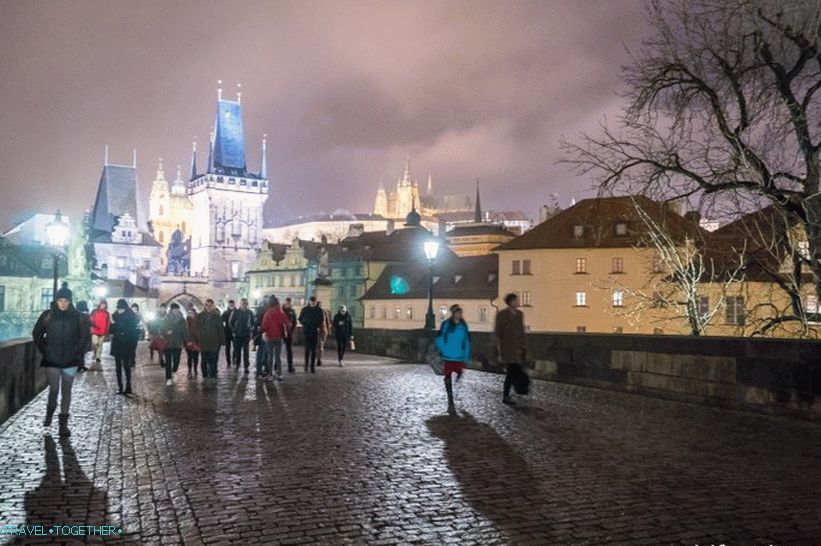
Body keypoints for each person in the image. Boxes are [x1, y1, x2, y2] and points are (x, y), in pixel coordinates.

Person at [32, 285, 90, 437]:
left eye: (66, 301)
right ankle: (49, 413)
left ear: (70, 301)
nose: (63, 303)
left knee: (66, 391)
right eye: (60, 300)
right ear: (56, 301)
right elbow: (37, 334)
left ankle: (63, 425)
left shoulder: (78, 317)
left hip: (70, 360)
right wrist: (46, 350)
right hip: (52, 359)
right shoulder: (48, 316)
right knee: (54, 389)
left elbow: (84, 337)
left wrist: (77, 351)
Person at [435, 304, 472, 415]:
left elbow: (466, 341)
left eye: (460, 312)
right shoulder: (446, 324)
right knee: (448, 377)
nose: (459, 314)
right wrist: (442, 349)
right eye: (457, 312)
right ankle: (450, 402)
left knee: (460, 372)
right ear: (453, 313)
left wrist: (466, 355)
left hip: (459, 355)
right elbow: (440, 338)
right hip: (448, 355)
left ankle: (455, 391)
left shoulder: (463, 325)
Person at [495, 293, 528, 405]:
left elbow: (521, 331)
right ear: (510, 302)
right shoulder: (502, 315)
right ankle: (507, 395)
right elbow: (498, 333)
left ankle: (511, 392)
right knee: (511, 372)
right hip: (507, 349)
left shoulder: (519, 314)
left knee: (514, 372)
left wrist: (524, 346)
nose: (518, 302)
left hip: (518, 349)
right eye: (516, 300)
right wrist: (499, 351)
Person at [110, 299, 140, 395]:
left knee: (126, 366)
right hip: (118, 343)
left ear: (125, 309)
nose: (119, 310)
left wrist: (115, 324)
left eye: (121, 309)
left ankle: (128, 386)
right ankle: (121, 387)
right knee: (118, 366)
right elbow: (111, 331)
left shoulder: (129, 317)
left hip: (126, 343)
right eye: (118, 309)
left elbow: (126, 329)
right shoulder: (116, 316)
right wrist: (112, 324)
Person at [261, 296, 290, 380]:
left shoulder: (268, 313)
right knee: (278, 356)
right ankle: (280, 374)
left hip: (269, 337)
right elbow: (287, 324)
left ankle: (270, 374)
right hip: (279, 337)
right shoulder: (281, 312)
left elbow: (264, 326)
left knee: (270, 356)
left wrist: (264, 331)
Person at [197, 299, 225, 380]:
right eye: (207, 305)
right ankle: (205, 375)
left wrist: (222, 342)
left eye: (210, 305)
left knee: (214, 360)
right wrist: (198, 339)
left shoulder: (217, 316)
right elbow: (197, 328)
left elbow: (220, 329)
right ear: (204, 306)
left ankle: (213, 375)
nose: (209, 307)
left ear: (213, 306)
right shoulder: (200, 316)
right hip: (204, 341)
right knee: (204, 360)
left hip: (214, 342)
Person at [162, 303, 188, 386]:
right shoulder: (166, 319)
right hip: (168, 343)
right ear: (171, 310)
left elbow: (185, 331)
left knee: (176, 360)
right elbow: (161, 329)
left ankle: (174, 371)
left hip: (177, 343)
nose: (176, 311)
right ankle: (168, 378)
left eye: (177, 310)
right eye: (175, 310)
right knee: (168, 362)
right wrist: (166, 332)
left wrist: (187, 341)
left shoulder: (182, 320)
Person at [298, 297, 324, 373]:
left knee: (313, 350)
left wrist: (317, 326)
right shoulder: (305, 309)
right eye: (312, 302)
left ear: (316, 302)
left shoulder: (319, 310)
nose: (313, 303)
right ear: (309, 302)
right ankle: (306, 365)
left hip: (314, 331)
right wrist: (304, 324)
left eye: (314, 302)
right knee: (307, 349)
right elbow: (300, 319)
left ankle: (312, 367)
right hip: (307, 331)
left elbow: (321, 320)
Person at [229, 298, 254, 374]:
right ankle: (237, 364)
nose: (244, 305)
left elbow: (253, 322)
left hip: (246, 335)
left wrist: (250, 331)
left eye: (246, 304)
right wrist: (234, 331)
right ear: (240, 304)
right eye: (243, 304)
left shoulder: (250, 312)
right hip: (238, 335)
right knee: (237, 351)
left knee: (246, 352)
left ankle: (246, 366)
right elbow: (230, 322)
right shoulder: (236, 312)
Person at [89, 300, 111, 369]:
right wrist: (92, 326)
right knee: (95, 343)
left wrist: (107, 330)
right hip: (95, 330)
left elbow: (108, 322)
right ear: (100, 304)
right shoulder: (94, 311)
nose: (103, 306)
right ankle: (95, 352)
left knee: (100, 344)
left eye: (104, 305)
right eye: (102, 304)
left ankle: (98, 357)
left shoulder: (107, 313)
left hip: (102, 331)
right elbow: (90, 319)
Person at [253, 297, 271, 378]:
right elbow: (257, 322)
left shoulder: (260, 309)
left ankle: (262, 370)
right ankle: (261, 371)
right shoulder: (263, 310)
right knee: (263, 353)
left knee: (264, 353)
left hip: (262, 333)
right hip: (263, 334)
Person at [75, 300, 91, 372]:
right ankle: (79, 365)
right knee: (80, 351)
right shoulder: (83, 315)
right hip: (82, 335)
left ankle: (80, 365)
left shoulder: (79, 314)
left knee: (81, 352)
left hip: (82, 335)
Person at [282, 298, 297, 373]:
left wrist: (292, 328)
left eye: (289, 303)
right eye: (287, 303)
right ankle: (275, 366)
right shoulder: (281, 310)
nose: (288, 304)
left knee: (289, 350)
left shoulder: (292, 311)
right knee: (278, 350)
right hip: (281, 333)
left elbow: (294, 321)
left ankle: (290, 366)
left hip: (289, 333)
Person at [185, 308, 200, 377]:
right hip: (188, 343)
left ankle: (195, 369)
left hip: (196, 342)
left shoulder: (198, 322)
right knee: (190, 357)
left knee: (196, 357)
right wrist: (187, 341)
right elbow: (184, 333)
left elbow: (199, 332)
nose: (190, 314)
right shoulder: (186, 322)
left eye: (192, 313)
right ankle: (190, 370)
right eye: (189, 313)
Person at [316, 301, 331, 366]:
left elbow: (328, 321)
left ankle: (319, 359)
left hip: (322, 331)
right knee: (320, 345)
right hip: (321, 330)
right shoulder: (322, 311)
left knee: (320, 345)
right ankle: (319, 359)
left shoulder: (323, 311)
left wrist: (329, 329)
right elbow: (328, 322)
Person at [222, 300, 236, 369]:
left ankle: (234, 359)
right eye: (230, 304)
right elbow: (221, 321)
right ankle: (228, 361)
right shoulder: (225, 313)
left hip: (234, 332)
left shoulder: (237, 312)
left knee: (235, 347)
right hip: (227, 332)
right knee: (227, 348)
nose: (231, 305)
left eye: (232, 304)